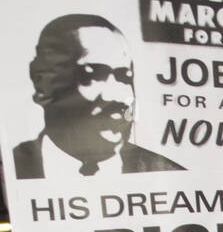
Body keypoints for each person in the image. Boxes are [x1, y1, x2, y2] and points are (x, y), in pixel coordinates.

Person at [13, 14, 184, 178]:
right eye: (94, 75)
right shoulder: (12, 170)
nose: (117, 97)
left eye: (125, 77)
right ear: (42, 83)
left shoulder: (168, 173)